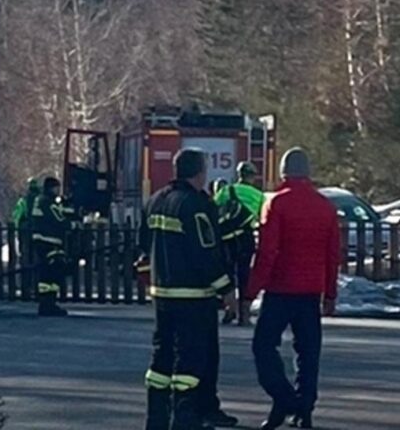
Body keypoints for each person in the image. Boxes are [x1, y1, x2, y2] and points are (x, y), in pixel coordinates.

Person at [139, 149, 238, 430]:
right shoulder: (196, 205)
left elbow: (144, 246)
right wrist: (227, 290)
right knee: (191, 361)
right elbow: (206, 253)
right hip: (194, 298)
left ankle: (156, 420)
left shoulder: (155, 201)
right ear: (200, 172)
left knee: (161, 359)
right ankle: (186, 420)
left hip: (162, 297)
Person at [247, 148, 340, 430]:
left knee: (263, 346)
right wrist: (330, 293)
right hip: (310, 291)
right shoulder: (325, 206)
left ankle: (283, 397)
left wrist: (251, 290)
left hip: (280, 289)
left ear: (283, 173)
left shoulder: (276, 204)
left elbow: (267, 251)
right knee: (308, 352)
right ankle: (305, 409)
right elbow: (332, 254)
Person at [214, 179, 256, 326]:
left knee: (229, 276)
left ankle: (230, 310)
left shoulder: (218, 200)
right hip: (244, 239)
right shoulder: (251, 195)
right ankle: (243, 314)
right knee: (244, 276)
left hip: (228, 242)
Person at [31, 177, 69, 317]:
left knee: (47, 273)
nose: (57, 191)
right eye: (55, 188)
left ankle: (46, 303)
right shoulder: (47, 202)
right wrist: (73, 224)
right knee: (53, 271)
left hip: (43, 241)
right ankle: (49, 304)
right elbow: (59, 219)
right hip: (49, 242)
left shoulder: (40, 201)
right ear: (49, 188)